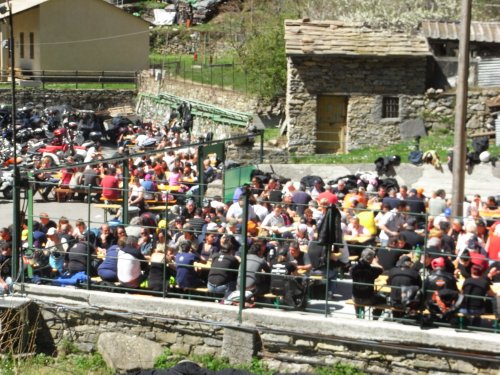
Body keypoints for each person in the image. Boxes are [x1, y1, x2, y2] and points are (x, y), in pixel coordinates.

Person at [350, 248, 385, 319]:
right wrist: (375, 263)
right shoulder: (372, 270)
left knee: (359, 297)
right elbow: (381, 269)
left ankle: (359, 316)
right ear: (371, 259)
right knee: (384, 299)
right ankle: (375, 317)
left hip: (355, 297)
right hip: (368, 299)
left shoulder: (353, 269)